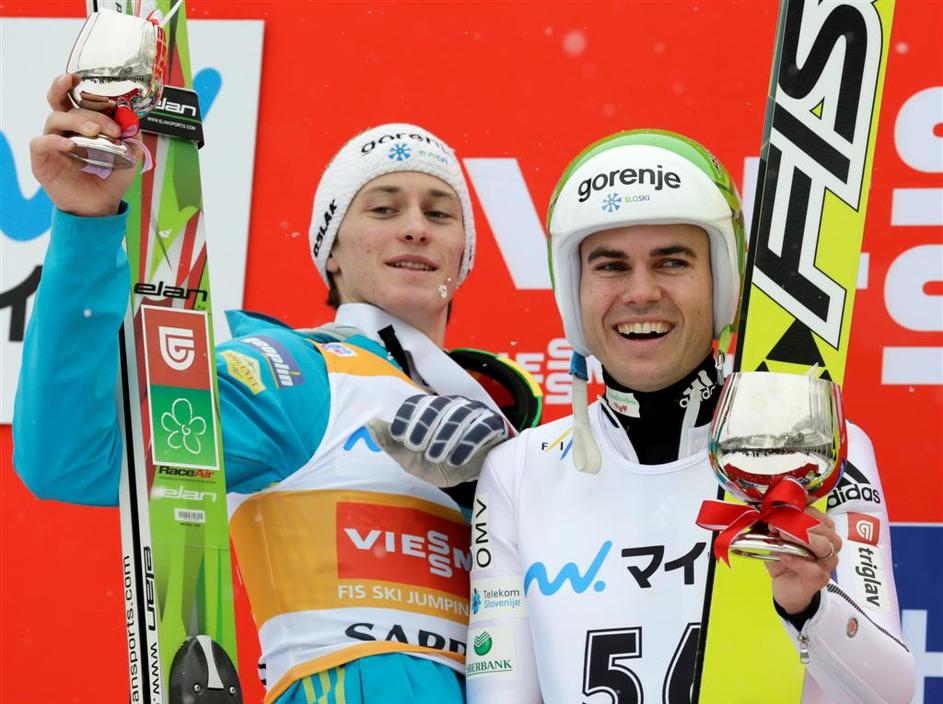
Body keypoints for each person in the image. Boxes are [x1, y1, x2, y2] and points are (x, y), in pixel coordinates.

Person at [13, 74, 536, 704]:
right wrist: (87, 225)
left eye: (439, 213)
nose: (416, 228)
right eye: (383, 208)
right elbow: (74, 457)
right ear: (331, 249)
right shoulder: (298, 374)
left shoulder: (509, 425)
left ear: (463, 252)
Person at [459, 130, 915, 703]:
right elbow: (501, 692)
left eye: (672, 262)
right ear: (574, 293)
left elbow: (893, 693)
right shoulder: (519, 471)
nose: (640, 292)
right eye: (610, 266)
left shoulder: (814, 449)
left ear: (721, 283)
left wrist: (811, 607)